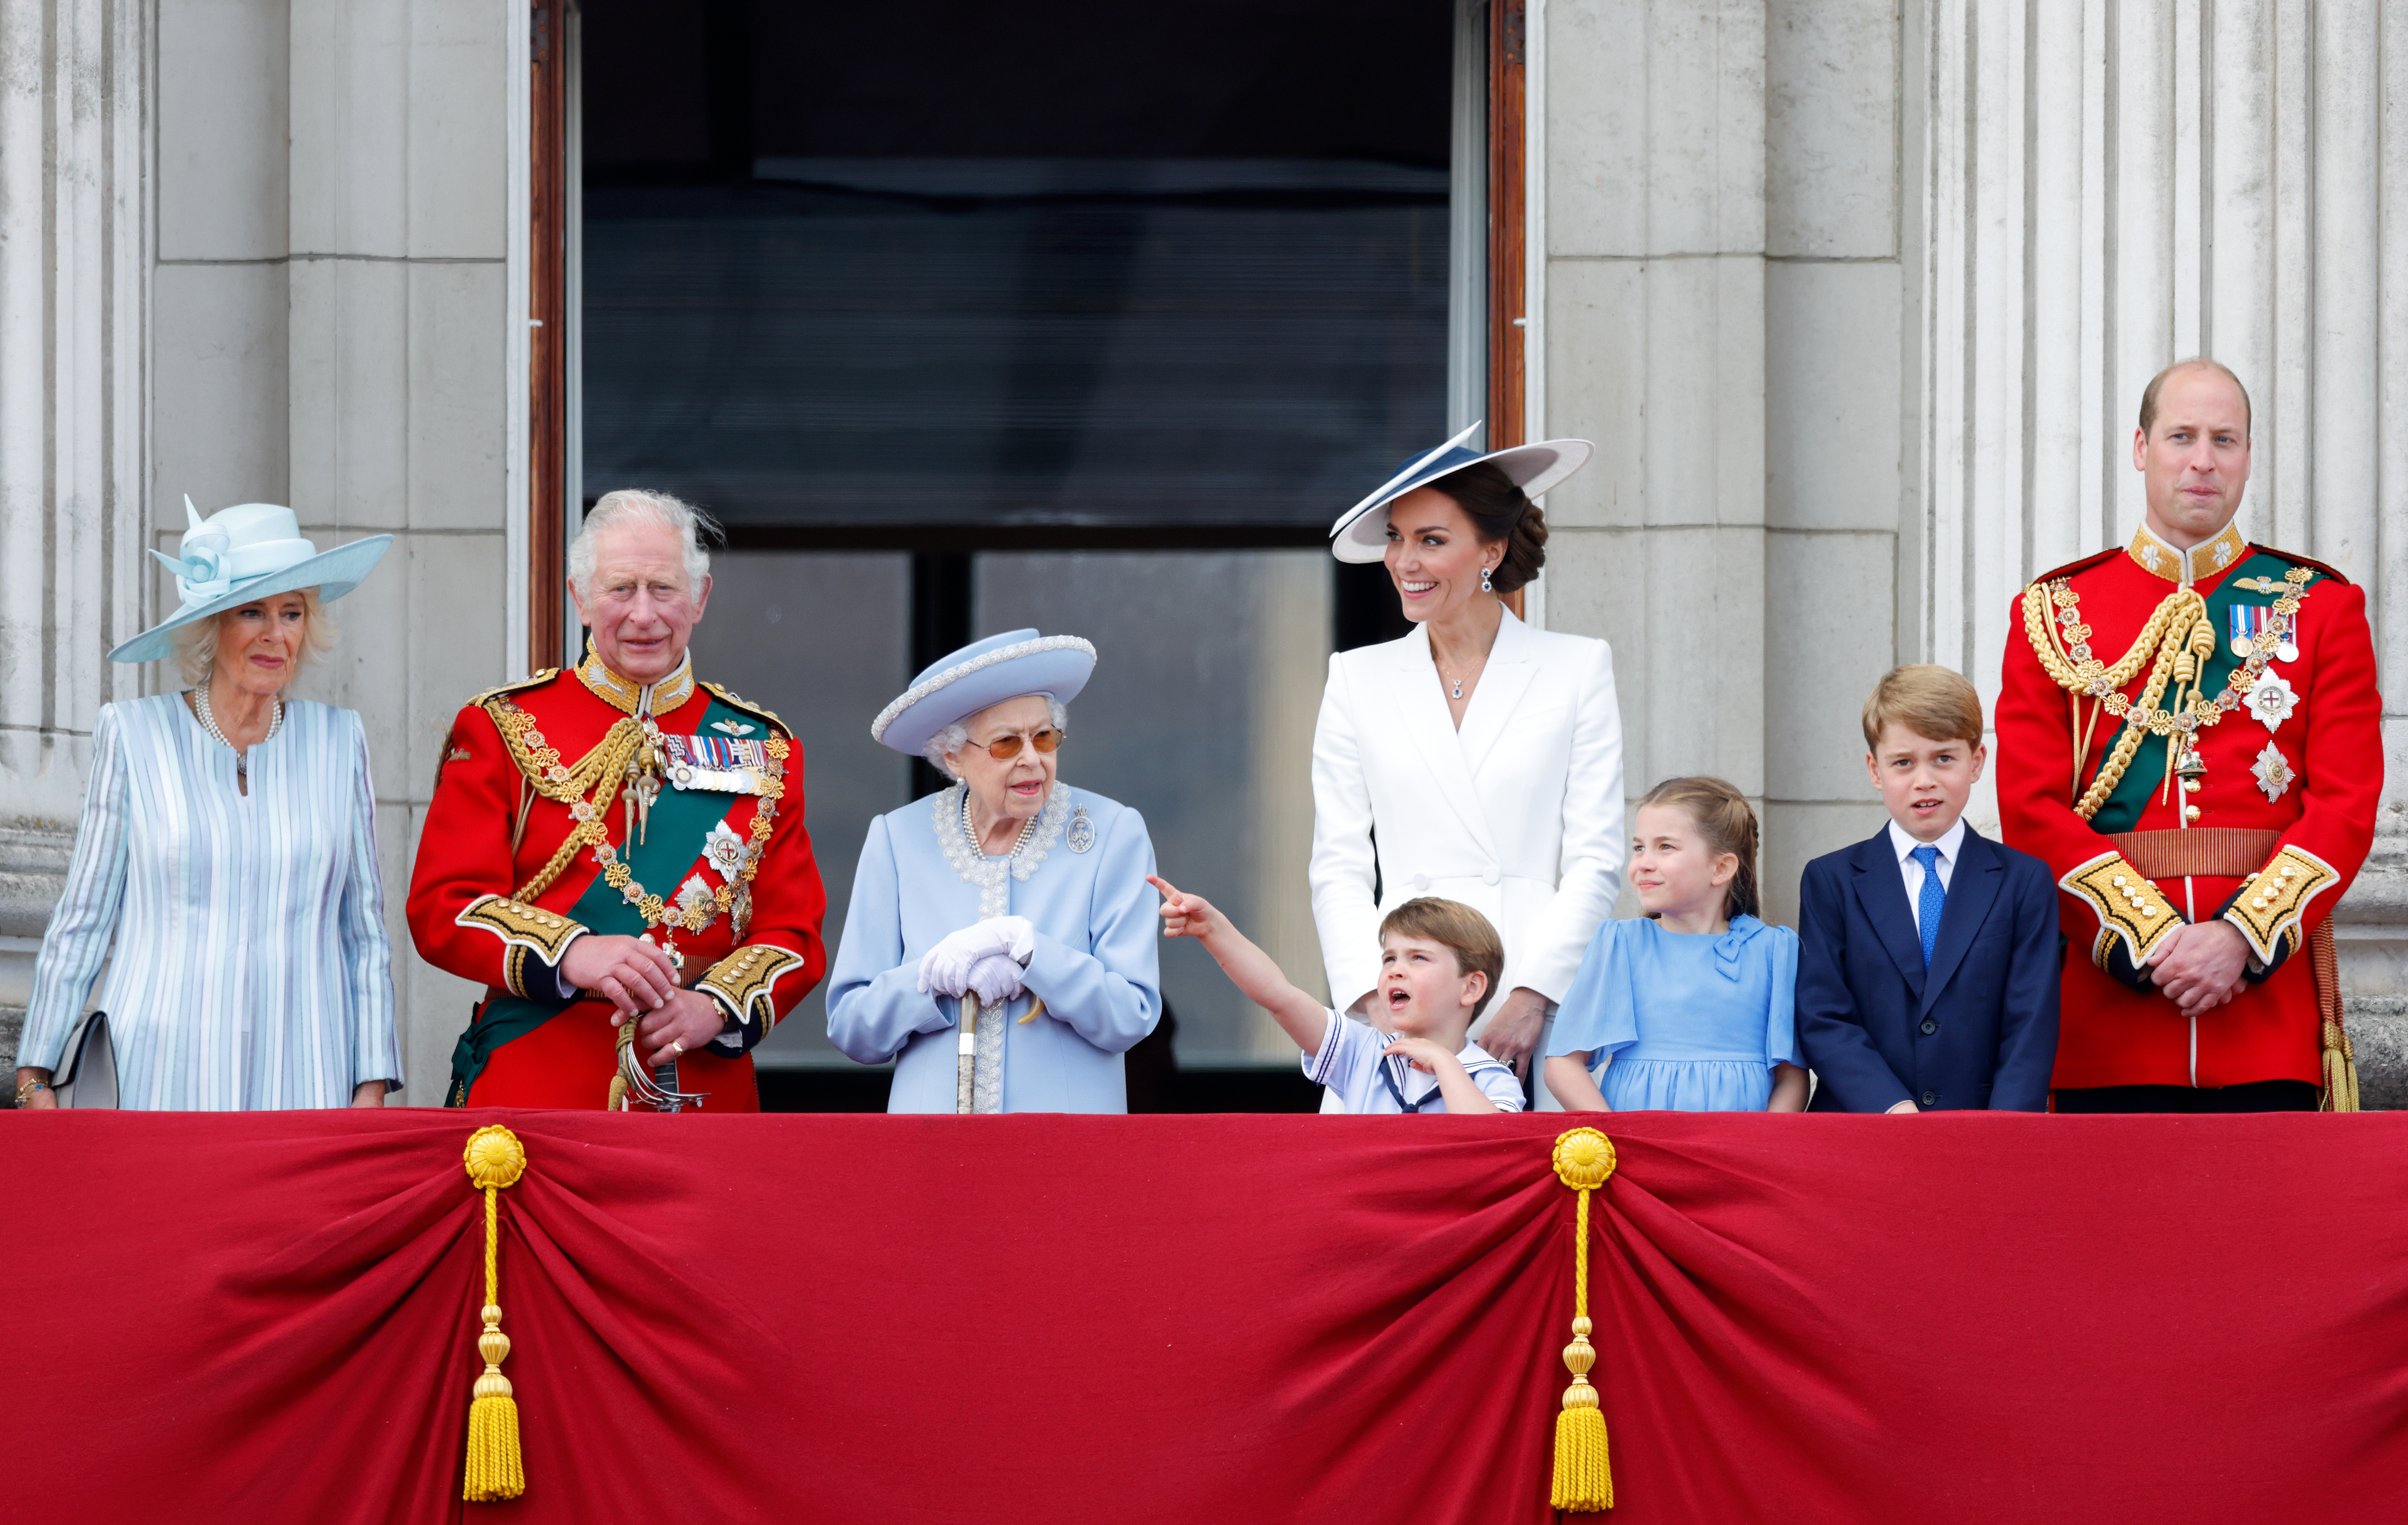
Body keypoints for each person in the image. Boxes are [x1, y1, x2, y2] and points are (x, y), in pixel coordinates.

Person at [1996, 359, 2382, 1112]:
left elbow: (2345, 807)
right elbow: (2031, 809)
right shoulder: (2054, 610)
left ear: (2247, 456)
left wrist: (2240, 936)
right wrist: (2153, 944)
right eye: (2182, 436)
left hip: (2265, 1025)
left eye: (2225, 439)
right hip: (2109, 1029)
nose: (2203, 460)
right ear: (2142, 448)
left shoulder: (2323, 608)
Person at [407, 489, 827, 1111]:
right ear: (579, 598)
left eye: (664, 589)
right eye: (619, 589)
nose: (643, 615)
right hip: (536, 1080)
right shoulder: (502, 726)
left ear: (700, 598)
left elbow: (793, 933)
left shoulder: (765, 748)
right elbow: (444, 908)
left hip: (699, 1081)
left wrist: (714, 1007)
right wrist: (573, 952)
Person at [14, 498, 399, 1110]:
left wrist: (370, 1083)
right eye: (252, 611)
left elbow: (364, 932)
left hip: (303, 1077)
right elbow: (84, 917)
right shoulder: (134, 735)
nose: (277, 635)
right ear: (211, 624)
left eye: (292, 612)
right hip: (157, 1075)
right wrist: (36, 1073)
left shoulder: (338, 741)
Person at [1311, 421, 1623, 1106]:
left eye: (1431, 541)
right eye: (1396, 538)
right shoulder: (1355, 678)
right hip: (1400, 993)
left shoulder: (1575, 667)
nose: (1403, 562)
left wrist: (1533, 994)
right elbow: (1336, 864)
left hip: (1530, 990)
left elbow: (1596, 858)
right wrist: (1369, 997)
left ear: (1491, 548)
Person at [827, 630, 1161, 1112]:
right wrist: (931, 978)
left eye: (1044, 737)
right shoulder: (898, 840)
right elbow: (852, 1027)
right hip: (930, 1153)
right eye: (1007, 743)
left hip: (1066, 1153)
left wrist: (1035, 955)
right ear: (953, 756)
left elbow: (1131, 1014)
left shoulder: (1112, 834)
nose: (1033, 759)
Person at [1794, 668, 2060, 1112]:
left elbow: (2031, 1021)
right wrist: (1891, 1106)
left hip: (1980, 1134)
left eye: (1943, 758)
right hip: (1862, 1127)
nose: (1924, 779)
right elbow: (1824, 1015)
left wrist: (2002, 1133)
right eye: (1903, 762)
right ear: (1874, 769)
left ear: (1976, 762)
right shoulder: (1830, 880)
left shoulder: (2024, 881)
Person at [1543, 778, 1805, 1113]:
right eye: (1639, 848)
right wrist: (1617, 1139)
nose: (1644, 863)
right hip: (1638, 1149)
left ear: (1721, 867)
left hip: (1738, 1151)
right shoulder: (1621, 944)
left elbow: (1792, 1077)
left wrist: (1761, 1148)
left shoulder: (1774, 950)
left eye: (1665, 847)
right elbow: (1563, 1064)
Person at [1154, 876, 1521, 1114]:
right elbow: (1278, 997)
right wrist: (1214, 930)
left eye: (1418, 958)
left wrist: (1444, 1063)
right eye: (1389, 958)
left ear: (1471, 987)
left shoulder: (1494, 1078)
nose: (1395, 969)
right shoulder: (1362, 1051)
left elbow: (1492, 1145)